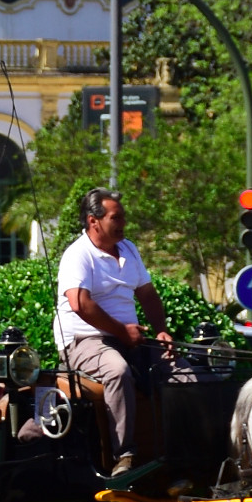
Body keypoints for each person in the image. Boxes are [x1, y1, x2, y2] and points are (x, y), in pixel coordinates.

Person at [54, 189, 173, 470]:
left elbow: (147, 294)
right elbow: (80, 303)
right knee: (116, 370)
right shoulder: (78, 255)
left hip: (127, 337)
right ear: (93, 221)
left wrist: (161, 331)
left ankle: (180, 449)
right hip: (84, 340)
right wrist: (122, 332)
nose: (122, 223)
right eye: (115, 217)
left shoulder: (129, 249)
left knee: (180, 369)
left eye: (123, 217)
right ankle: (124, 456)